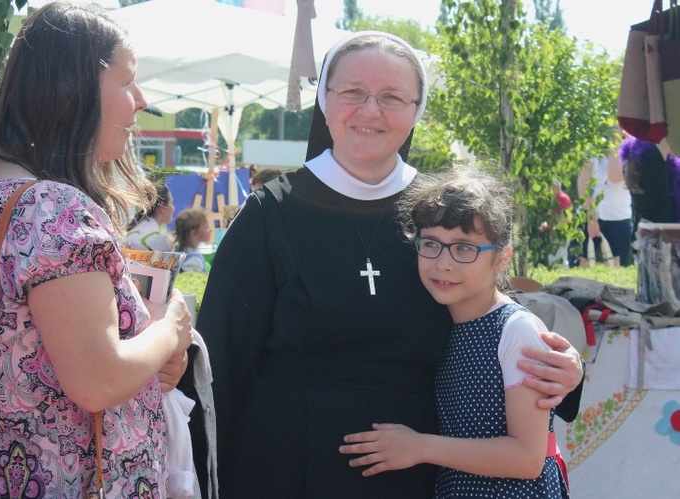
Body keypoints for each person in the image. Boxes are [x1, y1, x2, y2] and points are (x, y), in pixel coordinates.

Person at [194, 31, 583, 498]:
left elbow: (492, 321)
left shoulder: (441, 213)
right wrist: (198, 472)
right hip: (285, 462)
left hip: (416, 470)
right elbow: (219, 356)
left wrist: (568, 372)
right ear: (324, 99)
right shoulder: (269, 214)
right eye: (353, 92)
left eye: (392, 97)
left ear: (416, 110)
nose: (370, 110)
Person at [0, 3, 195, 495]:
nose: (140, 100)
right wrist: (170, 330)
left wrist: (147, 351)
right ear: (74, 85)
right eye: (126, 81)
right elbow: (98, 381)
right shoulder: (54, 207)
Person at [341, 166, 569, 498]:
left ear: (502, 258)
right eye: (431, 244)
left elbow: (527, 458)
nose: (443, 263)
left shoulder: (516, 330)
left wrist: (419, 447)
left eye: (464, 248)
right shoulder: (440, 323)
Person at [578, 150, 633, 266]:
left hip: (619, 220)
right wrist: (591, 218)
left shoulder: (630, 149)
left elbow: (615, 176)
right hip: (591, 217)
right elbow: (583, 184)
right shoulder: (593, 149)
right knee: (585, 265)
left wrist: (616, 146)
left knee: (616, 268)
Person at [124, 181, 176, 251]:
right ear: (162, 206)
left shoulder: (134, 230)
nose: (173, 208)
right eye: (171, 203)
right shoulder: (159, 238)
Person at [174, 208, 212, 272]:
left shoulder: (185, 251)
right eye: (206, 227)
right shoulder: (194, 262)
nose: (210, 230)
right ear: (194, 234)